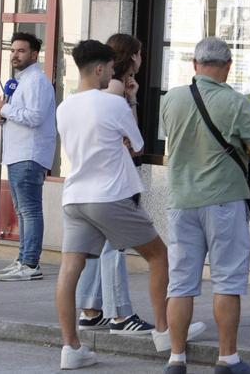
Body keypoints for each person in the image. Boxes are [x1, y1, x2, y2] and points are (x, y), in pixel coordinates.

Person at [52, 40, 171, 369]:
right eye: (109, 69)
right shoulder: (112, 104)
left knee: (69, 270)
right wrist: (130, 99)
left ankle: (70, 347)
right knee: (159, 255)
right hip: (110, 195)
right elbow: (138, 145)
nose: (111, 75)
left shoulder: (64, 106)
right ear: (100, 69)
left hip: (75, 197)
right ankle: (164, 331)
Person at [161, 37, 250, 374]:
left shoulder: (171, 99)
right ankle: (228, 359)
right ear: (227, 66)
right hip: (224, 201)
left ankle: (176, 359)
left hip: (180, 200)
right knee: (227, 281)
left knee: (180, 282)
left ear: (195, 64)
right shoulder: (237, 103)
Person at [75, 33, 157, 334]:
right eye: (139, 53)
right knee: (114, 246)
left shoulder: (108, 88)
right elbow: (132, 139)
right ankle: (120, 314)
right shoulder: (115, 87)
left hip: (94, 180)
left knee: (98, 247)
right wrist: (130, 100)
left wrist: (132, 98)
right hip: (114, 179)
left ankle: (90, 309)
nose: (142, 58)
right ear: (131, 56)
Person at [0, 32, 56, 282]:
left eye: (21, 51)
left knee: (29, 211)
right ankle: (22, 259)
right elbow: (20, 115)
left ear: (34, 53)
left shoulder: (37, 81)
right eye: (12, 50)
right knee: (22, 211)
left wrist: (5, 109)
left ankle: (30, 263)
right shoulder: (19, 81)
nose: (15, 55)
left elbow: (35, 116)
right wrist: (2, 116)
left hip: (30, 154)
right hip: (17, 153)